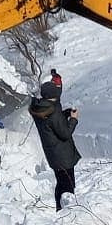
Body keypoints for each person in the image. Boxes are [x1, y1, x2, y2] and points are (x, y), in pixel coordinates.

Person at [29, 78, 80, 211]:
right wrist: (73, 119)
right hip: (62, 155)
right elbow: (65, 133)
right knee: (68, 186)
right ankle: (67, 212)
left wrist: (64, 113)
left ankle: (59, 208)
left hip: (53, 154)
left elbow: (52, 123)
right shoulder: (52, 112)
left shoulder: (41, 108)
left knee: (61, 183)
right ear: (54, 95)